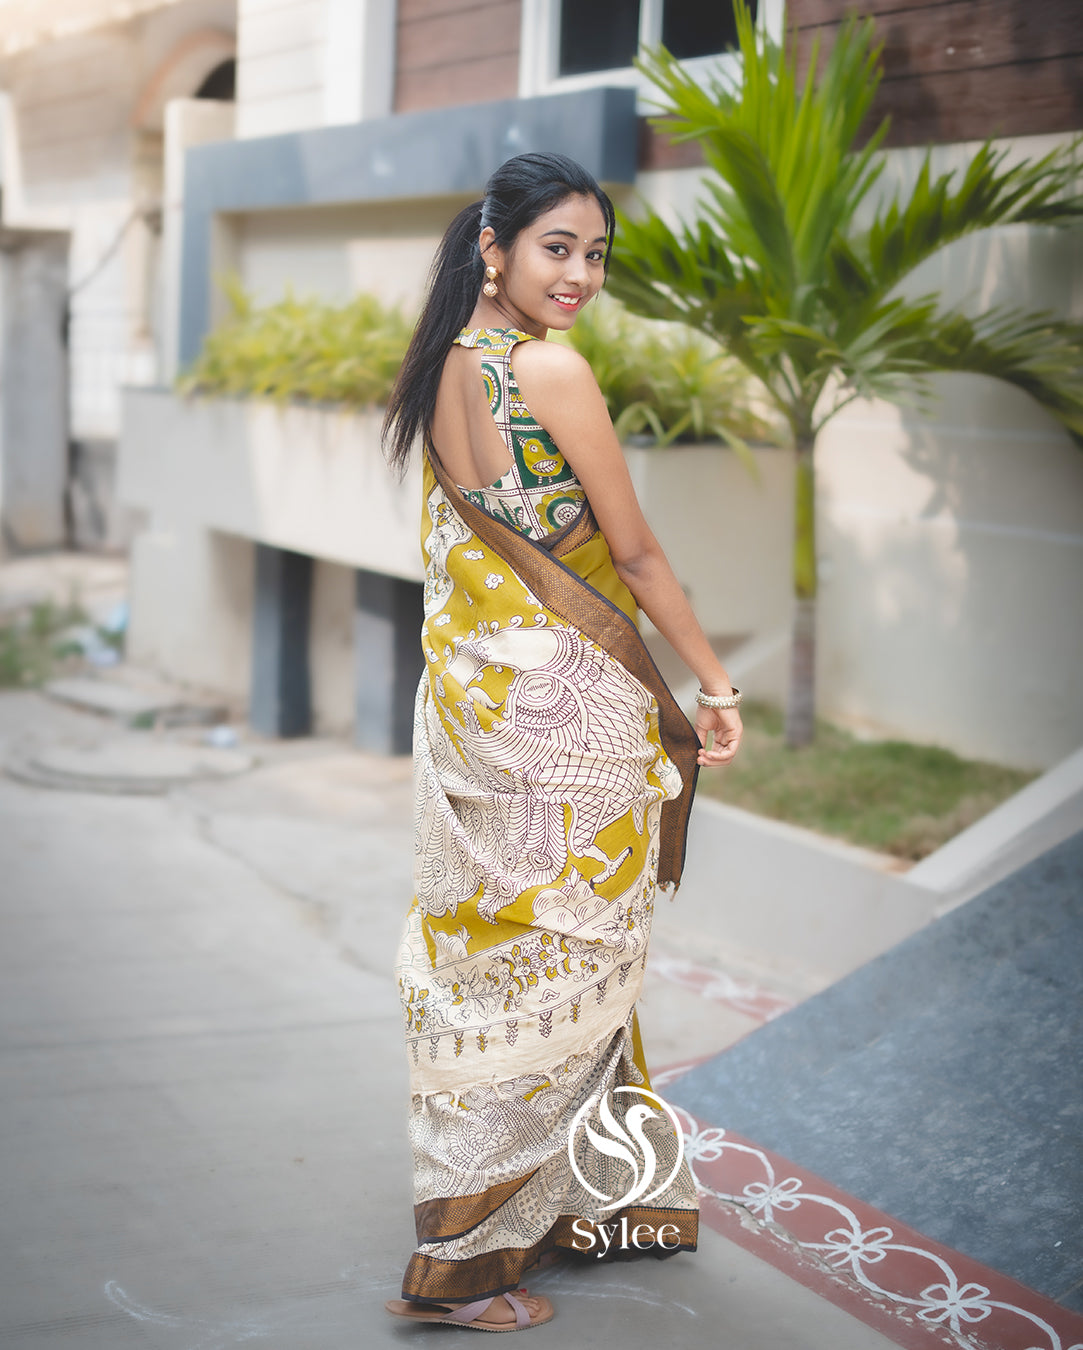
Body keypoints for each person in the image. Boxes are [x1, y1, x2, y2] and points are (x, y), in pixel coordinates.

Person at [381, 151, 742, 1332]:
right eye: (558, 248)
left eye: (596, 254)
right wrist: (712, 679)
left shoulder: (440, 367)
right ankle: (465, 1265)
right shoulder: (548, 370)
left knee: (489, 961)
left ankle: (578, 1200)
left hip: (473, 722)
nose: (581, 273)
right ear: (495, 247)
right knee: (566, 964)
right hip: (569, 729)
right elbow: (632, 557)